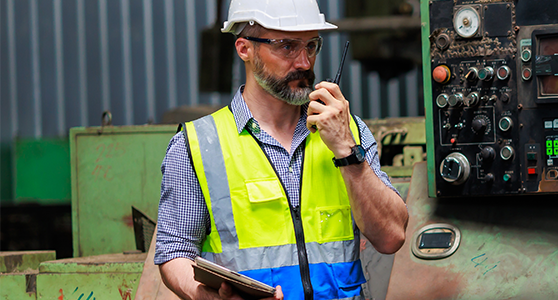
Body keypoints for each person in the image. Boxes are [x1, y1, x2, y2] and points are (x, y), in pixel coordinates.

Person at [153, 1, 408, 299]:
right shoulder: (198, 145)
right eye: (287, 47)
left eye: (311, 46)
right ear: (245, 49)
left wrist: (347, 151)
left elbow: (392, 237)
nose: (304, 62)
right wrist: (204, 296)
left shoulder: (347, 132)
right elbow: (174, 250)